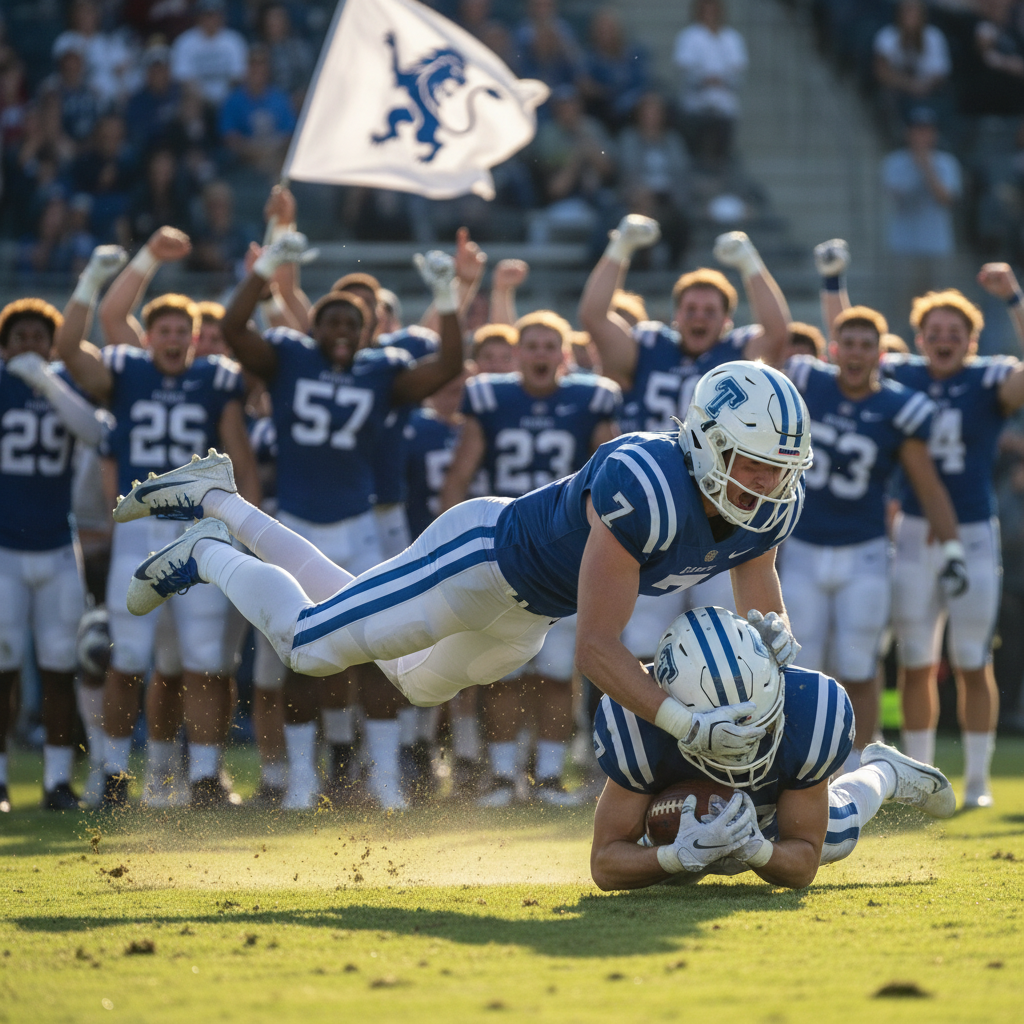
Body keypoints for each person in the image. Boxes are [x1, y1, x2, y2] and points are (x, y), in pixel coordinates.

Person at [116, 299, 811, 774]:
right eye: (754, 463)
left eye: (780, 470)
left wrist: (774, 635)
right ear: (707, 441)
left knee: (412, 682)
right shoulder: (645, 480)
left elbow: (758, 580)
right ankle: (210, 537)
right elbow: (598, 650)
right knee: (307, 647)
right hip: (478, 562)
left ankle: (219, 498)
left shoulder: (769, 505)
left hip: (527, 614)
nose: (766, 482)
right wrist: (687, 725)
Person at [202, 239, 464, 810]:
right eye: (332, 319)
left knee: (375, 648)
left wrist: (448, 294)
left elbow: (448, 365)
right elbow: (233, 326)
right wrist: (266, 269)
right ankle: (300, 778)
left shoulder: (381, 373)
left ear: (369, 331)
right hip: (294, 524)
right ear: (315, 326)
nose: (342, 329)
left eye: (353, 322)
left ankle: (387, 778)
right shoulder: (288, 358)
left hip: (359, 528)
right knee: (296, 651)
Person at [55, 233, 261, 809]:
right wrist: (91, 284)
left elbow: (238, 453)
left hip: (201, 535)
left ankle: (204, 776)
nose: (173, 340)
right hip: (140, 536)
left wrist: (247, 526)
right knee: (127, 658)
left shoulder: (214, 379)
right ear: (150, 338)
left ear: (195, 339)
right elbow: (70, 348)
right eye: (163, 331)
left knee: (204, 661)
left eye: (182, 333)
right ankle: (115, 775)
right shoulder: (125, 371)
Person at [825, 248, 1024, 807]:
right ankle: (918, 779)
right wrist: (834, 281)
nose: (943, 337)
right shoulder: (902, 374)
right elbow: (847, 346)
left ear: (971, 340)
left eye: (953, 330)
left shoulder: (987, 380)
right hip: (912, 531)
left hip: (975, 533)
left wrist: (1013, 298)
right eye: (933, 329)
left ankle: (979, 783)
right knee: (916, 661)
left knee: (971, 657)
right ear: (918, 336)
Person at [590, 607, 956, 890]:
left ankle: (884, 773)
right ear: (671, 711)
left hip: (770, 811)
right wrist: (675, 855)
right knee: (669, 875)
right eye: (723, 738)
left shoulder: (810, 706)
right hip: (675, 818)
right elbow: (606, 863)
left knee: (838, 829)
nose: (743, 748)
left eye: (758, 728)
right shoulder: (636, 721)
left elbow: (803, 862)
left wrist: (757, 848)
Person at [580, 215, 791, 660]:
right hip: (652, 508)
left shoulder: (737, 356)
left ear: (727, 320)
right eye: (691, 309)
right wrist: (619, 248)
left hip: (717, 514)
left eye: (709, 311)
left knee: (720, 645)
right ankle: (641, 724)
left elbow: (777, 332)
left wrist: (750, 263)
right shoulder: (649, 348)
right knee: (637, 645)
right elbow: (594, 317)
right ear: (675, 315)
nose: (699, 318)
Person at [439, 311, 622, 805]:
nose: (540, 354)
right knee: (502, 670)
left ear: (565, 355)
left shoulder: (592, 398)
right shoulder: (490, 398)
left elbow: (612, 477)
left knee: (558, 673)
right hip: (507, 547)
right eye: (532, 345)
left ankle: (544, 777)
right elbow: (460, 474)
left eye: (550, 346)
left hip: (568, 551)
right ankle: (503, 777)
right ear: (517, 353)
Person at [782, 301, 964, 772]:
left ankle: (857, 768)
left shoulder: (898, 408)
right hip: (802, 546)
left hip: (863, 550)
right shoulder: (808, 383)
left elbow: (926, 483)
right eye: (851, 344)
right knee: (801, 663)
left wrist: (951, 547)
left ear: (881, 354)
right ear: (835, 350)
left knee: (859, 663)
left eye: (869, 345)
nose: (858, 354)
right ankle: (799, 763)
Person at [0, 295, 112, 811]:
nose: (29, 347)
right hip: (4, 548)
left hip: (56, 545)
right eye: (19, 338)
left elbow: (97, 432)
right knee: (3, 667)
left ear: (51, 346)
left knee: (59, 667)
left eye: (38, 339)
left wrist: (47, 380)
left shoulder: (62, 389)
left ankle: (57, 781)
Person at [880, 107, 962, 325]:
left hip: (937, 247)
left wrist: (927, 167)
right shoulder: (894, 162)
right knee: (901, 309)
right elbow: (896, 196)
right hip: (904, 248)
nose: (922, 136)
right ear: (908, 133)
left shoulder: (946, 163)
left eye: (927, 131)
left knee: (940, 308)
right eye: (917, 130)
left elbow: (945, 198)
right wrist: (917, 166)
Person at [672, 0, 747, 168]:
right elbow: (685, 68)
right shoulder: (689, 36)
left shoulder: (732, 37)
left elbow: (738, 70)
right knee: (696, 156)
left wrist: (716, 78)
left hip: (724, 108)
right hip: (696, 106)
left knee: (721, 157)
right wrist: (709, 78)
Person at [872, 0, 951, 141]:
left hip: (928, 91)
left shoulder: (934, 37)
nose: (910, 17)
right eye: (906, 12)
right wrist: (911, 85)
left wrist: (924, 87)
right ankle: (896, 138)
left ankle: (936, 138)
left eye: (914, 12)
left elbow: (940, 73)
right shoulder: (887, 36)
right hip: (899, 92)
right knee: (886, 98)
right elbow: (882, 72)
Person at [170, 0, 247, 108]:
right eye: (207, 15)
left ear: (222, 16)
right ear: (198, 17)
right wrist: (206, 101)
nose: (211, 20)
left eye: (214, 15)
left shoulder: (234, 41)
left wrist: (223, 99)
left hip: (228, 99)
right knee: (188, 103)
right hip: (197, 100)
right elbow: (184, 79)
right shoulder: (185, 42)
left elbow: (238, 77)